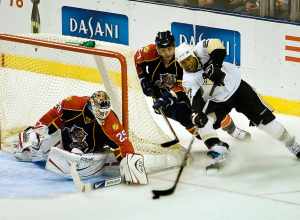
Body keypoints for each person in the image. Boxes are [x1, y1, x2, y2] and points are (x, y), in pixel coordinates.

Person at [175, 39, 300, 164]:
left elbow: (218, 46)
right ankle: (220, 152)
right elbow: (196, 99)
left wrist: (216, 66)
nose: (188, 64)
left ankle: (292, 145)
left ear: (193, 55)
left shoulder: (200, 49)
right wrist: (197, 113)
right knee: (201, 122)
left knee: (266, 123)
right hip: (218, 101)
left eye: (188, 59)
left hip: (239, 89)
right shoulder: (188, 80)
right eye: (183, 63)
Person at [134, 30, 250, 143]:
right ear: (157, 48)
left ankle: (233, 130)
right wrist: (143, 78)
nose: (166, 54)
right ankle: (214, 143)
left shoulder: (181, 61)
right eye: (162, 50)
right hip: (161, 97)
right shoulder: (148, 52)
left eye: (169, 49)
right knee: (188, 121)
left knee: (208, 113)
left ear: (174, 46)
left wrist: (169, 97)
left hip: (185, 94)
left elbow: (183, 86)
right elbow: (136, 60)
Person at [13, 90, 148, 184]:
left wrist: (130, 161)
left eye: (105, 111)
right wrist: (38, 130)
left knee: (116, 153)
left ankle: (85, 158)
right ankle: (33, 145)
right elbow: (51, 115)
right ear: (91, 105)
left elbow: (123, 142)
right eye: (100, 111)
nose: (103, 115)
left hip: (92, 147)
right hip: (67, 139)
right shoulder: (71, 103)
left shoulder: (110, 120)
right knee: (33, 140)